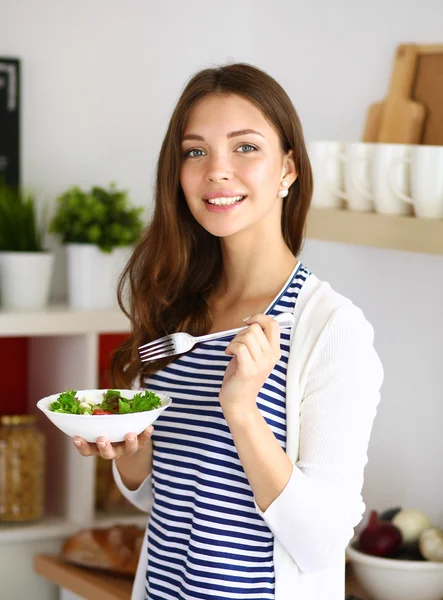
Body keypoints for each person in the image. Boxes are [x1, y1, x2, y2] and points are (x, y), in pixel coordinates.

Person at [73, 63, 383, 600]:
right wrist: (127, 449)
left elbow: (321, 544)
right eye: (196, 151)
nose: (217, 170)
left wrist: (241, 411)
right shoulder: (178, 310)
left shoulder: (331, 329)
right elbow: (171, 499)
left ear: (288, 168)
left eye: (245, 147)